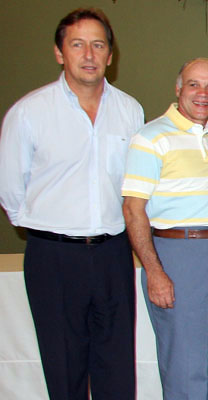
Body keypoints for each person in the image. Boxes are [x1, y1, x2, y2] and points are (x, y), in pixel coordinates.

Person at [0, 8, 143, 399]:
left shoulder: (130, 111)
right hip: (54, 258)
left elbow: (135, 185)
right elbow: (10, 190)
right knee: (64, 371)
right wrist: (51, 227)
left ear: (111, 55)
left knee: (117, 368)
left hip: (114, 253)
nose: (89, 54)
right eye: (77, 44)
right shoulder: (29, 113)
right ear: (60, 53)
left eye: (98, 45)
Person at [122, 58, 208, 399]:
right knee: (185, 364)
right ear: (178, 89)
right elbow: (133, 210)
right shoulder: (150, 137)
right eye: (194, 84)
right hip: (178, 255)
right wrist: (154, 271)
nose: (202, 94)